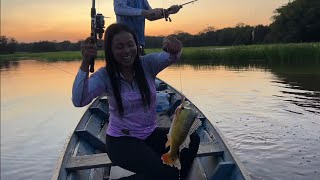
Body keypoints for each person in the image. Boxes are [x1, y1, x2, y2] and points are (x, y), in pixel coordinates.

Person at [72, 23, 200, 180]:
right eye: (119, 46)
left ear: (136, 45)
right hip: (121, 142)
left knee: (193, 139)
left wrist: (175, 46)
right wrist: (85, 63)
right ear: (110, 51)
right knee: (165, 174)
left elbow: (173, 55)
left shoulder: (148, 63)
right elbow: (79, 100)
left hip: (149, 134)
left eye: (130, 44)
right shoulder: (104, 75)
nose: (126, 51)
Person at [114, 0, 182, 55]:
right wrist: (145, 12)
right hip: (124, 47)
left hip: (139, 47)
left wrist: (169, 11)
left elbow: (150, 16)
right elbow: (119, 9)